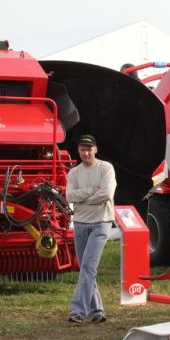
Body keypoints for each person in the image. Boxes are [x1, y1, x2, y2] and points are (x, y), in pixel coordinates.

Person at [66, 134, 116, 324]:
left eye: (89, 149)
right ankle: (97, 312)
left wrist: (82, 197)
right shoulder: (74, 173)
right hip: (79, 223)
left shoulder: (106, 168)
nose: (86, 153)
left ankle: (77, 311)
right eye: (82, 149)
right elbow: (70, 195)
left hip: (101, 223)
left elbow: (106, 194)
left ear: (96, 149)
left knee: (88, 266)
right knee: (87, 268)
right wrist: (90, 192)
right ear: (78, 150)